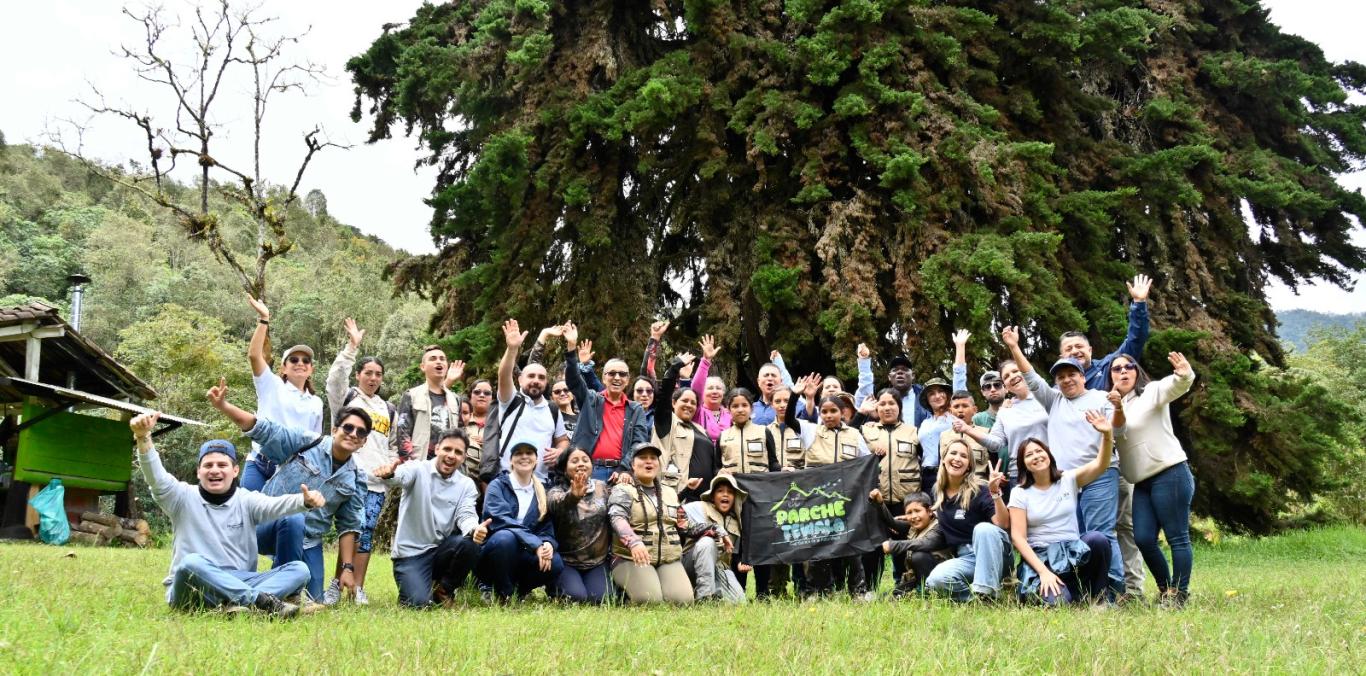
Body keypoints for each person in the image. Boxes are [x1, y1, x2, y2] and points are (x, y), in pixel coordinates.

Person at [133, 412, 320, 618]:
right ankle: (258, 601)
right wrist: (143, 437)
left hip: (240, 580)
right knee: (190, 563)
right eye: (208, 465)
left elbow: (275, 505)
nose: (215, 470)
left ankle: (235, 606)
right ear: (198, 472)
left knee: (299, 570)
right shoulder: (181, 497)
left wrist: (304, 501)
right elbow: (156, 478)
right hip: (193, 587)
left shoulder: (246, 500)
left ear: (235, 471)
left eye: (222, 465)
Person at [207, 377, 367, 603]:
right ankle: (282, 594)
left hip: (309, 539)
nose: (353, 434)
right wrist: (224, 406)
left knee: (315, 598)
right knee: (294, 518)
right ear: (334, 429)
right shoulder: (306, 442)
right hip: (265, 526)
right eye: (348, 427)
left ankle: (271, 588)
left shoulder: (355, 479)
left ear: (364, 442)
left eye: (360, 432)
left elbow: (349, 525)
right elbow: (262, 429)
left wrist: (348, 568)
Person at [1003, 326, 1122, 596]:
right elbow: (1030, 377)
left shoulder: (1100, 397)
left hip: (1099, 473)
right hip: (1065, 479)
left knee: (1100, 534)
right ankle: (1079, 589)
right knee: (1076, 537)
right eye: (1061, 377)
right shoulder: (1053, 400)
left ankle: (1112, 592)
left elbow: (1118, 427)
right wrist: (1014, 346)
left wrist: (1114, 420)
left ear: (1083, 376)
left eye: (1072, 374)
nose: (1067, 380)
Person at [1111, 351, 1197, 607]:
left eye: (1129, 367)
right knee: (1144, 538)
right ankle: (1165, 589)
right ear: (1111, 376)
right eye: (1116, 369)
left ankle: (1179, 594)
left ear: (1136, 372)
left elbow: (1175, 385)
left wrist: (1184, 374)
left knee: (1177, 536)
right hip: (1142, 482)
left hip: (1169, 472)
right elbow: (1115, 430)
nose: (1123, 372)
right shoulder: (1114, 405)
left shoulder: (1150, 393)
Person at [1008, 411, 1117, 605]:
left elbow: (1101, 465)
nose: (1036, 456)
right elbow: (1018, 537)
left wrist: (1107, 434)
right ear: (1023, 464)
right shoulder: (1019, 493)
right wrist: (1043, 572)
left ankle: (1099, 599)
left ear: (1049, 455)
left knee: (1097, 539)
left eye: (1039, 451)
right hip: (1043, 558)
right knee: (1059, 604)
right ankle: (1066, 593)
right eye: (1029, 455)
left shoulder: (1068, 479)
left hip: (1073, 553)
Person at [323, 317, 395, 605]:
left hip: (376, 483)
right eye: (368, 372)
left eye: (378, 374)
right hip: (347, 475)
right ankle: (335, 583)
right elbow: (334, 379)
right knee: (347, 530)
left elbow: (393, 445)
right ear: (359, 375)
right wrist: (351, 348)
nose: (373, 378)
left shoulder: (387, 407)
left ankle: (357, 588)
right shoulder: (348, 397)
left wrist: (391, 465)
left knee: (365, 533)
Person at [373, 429, 486, 608]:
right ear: (437, 449)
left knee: (470, 543)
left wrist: (474, 528)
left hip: (441, 550)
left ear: (464, 457)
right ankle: (416, 587)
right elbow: (400, 476)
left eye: (458, 452)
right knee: (418, 604)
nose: (451, 455)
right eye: (447, 449)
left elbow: (466, 514)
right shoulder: (418, 469)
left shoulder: (466, 485)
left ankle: (445, 589)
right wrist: (389, 474)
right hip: (410, 554)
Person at [785, 375, 872, 598]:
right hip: (817, 500)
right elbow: (789, 419)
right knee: (818, 545)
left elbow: (867, 463)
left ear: (842, 412)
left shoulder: (854, 434)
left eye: (833, 411)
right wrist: (796, 394)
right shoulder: (811, 430)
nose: (829, 415)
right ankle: (818, 591)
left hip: (846, 500)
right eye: (824, 412)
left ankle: (858, 591)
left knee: (850, 546)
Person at [242, 296, 323, 491]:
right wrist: (264, 319)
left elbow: (316, 442)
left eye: (306, 361)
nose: (300, 364)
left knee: (286, 521)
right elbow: (254, 356)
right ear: (284, 368)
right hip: (259, 463)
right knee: (249, 517)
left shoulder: (316, 402)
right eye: (294, 360)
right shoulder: (272, 385)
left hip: (291, 470)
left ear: (311, 369)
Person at [562, 322, 650, 485]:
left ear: (627, 380)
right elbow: (574, 381)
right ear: (603, 378)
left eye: (622, 374)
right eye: (612, 373)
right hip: (589, 470)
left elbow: (639, 442)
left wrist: (624, 469)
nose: (617, 377)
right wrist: (571, 347)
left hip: (621, 473)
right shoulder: (591, 399)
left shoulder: (635, 409)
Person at [483, 319, 570, 483]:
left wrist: (560, 451)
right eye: (531, 376)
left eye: (541, 377)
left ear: (546, 382)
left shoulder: (552, 409)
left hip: (541, 483)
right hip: (506, 479)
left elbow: (562, 440)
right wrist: (512, 349)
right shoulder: (510, 400)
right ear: (520, 380)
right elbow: (504, 374)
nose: (536, 380)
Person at [923, 442, 1011, 601]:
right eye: (953, 453)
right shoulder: (938, 493)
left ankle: (987, 594)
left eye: (964, 456)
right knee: (936, 581)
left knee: (983, 529)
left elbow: (1003, 524)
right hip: (967, 557)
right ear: (943, 459)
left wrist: (995, 493)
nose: (957, 458)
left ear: (969, 465)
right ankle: (976, 601)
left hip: (995, 553)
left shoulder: (981, 489)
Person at [609, 441, 693, 604]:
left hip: (667, 558)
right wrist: (633, 542)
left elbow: (684, 525)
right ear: (632, 465)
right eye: (642, 457)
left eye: (653, 458)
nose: (649, 461)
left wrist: (715, 531)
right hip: (631, 558)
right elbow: (616, 518)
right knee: (650, 600)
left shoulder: (669, 492)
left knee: (683, 601)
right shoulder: (623, 489)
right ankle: (623, 595)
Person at [478, 442, 563, 601]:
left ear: (536, 460)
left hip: (525, 552)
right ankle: (502, 592)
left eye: (529, 453)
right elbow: (503, 521)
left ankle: (519, 592)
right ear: (510, 461)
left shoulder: (543, 491)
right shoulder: (497, 485)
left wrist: (547, 543)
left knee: (556, 562)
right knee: (505, 538)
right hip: (495, 551)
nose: (524, 456)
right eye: (518, 453)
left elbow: (546, 527)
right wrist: (535, 544)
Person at [860, 388, 921, 587]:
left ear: (899, 407)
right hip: (876, 499)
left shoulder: (913, 431)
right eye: (882, 403)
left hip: (904, 501)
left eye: (892, 403)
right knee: (873, 546)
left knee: (902, 545)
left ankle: (903, 586)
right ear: (876, 407)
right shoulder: (867, 429)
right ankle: (870, 588)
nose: (887, 408)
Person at [959, 359, 1049, 493]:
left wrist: (1013, 346)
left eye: (1015, 371)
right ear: (1006, 384)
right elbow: (996, 443)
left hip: (1049, 468)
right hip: (1019, 475)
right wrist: (967, 429)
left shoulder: (1046, 396)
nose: (1012, 377)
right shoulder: (1005, 411)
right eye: (1006, 376)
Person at [1059, 274, 1152, 392]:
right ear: (1061, 357)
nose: (1075, 351)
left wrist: (1139, 303)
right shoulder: (1058, 389)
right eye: (1068, 349)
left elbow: (1135, 340)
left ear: (1090, 350)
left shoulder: (1109, 365)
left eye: (1079, 346)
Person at [546, 448, 612, 604]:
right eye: (574, 461)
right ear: (564, 468)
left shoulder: (602, 487)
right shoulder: (555, 491)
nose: (581, 464)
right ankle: (554, 586)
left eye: (585, 460)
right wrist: (573, 496)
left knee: (602, 600)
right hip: (566, 561)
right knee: (575, 598)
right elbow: (557, 505)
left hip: (597, 561)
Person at [653, 353, 718, 503]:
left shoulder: (701, 430)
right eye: (685, 401)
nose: (689, 405)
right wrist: (675, 367)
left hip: (705, 500)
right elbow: (664, 395)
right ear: (674, 403)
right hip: (678, 496)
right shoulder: (666, 423)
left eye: (693, 403)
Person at [914, 329, 971, 495]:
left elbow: (960, 381)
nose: (937, 396)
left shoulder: (954, 416)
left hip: (950, 471)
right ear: (927, 399)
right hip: (927, 475)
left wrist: (960, 347)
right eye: (932, 393)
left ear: (947, 395)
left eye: (941, 391)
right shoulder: (925, 423)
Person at [681, 475, 748, 603]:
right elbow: (674, 511)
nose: (725, 495)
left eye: (730, 492)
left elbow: (734, 554)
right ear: (712, 496)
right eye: (720, 491)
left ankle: (714, 593)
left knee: (739, 602)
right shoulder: (699, 507)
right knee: (707, 542)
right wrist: (687, 490)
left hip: (719, 568)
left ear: (735, 497)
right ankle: (704, 598)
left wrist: (740, 562)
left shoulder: (736, 521)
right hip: (690, 564)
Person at [870, 490, 949, 597]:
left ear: (929, 511)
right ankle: (917, 590)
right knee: (888, 596)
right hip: (917, 578)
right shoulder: (913, 526)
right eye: (909, 512)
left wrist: (892, 545)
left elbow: (925, 543)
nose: (913, 516)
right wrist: (880, 503)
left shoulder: (939, 527)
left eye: (917, 510)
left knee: (919, 555)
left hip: (942, 578)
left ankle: (928, 593)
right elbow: (891, 522)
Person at [391, 344, 462, 462]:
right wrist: (408, 464)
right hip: (419, 463)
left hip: (448, 465)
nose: (438, 362)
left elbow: (460, 433)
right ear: (423, 367)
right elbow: (403, 433)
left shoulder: (455, 399)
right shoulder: (411, 395)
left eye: (442, 359)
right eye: (433, 359)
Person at [689, 334, 733, 443]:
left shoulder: (730, 414)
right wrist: (706, 360)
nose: (714, 391)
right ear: (702, 392)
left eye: (718, 388)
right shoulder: (697, 412)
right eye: (710, 388)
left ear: (723, 393)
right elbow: (695, 388)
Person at [941, 390, 991, 481]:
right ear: (950, 411)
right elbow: (941, 466)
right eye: (956, 407)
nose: (960, 410)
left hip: (978, 488)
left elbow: (993, 465)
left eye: (965, 406)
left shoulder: (985, 434)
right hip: (951, 487)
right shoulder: (944, 436)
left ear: (974, 410)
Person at [462, 379, 495, 481]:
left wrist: (489, 443)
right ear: (470, 396)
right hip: (462, 477)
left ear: (492, 398)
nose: (482, 395)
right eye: (477, 392)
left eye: (487, 393)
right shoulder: (459, 420)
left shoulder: (499, 424)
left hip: (490, 480)